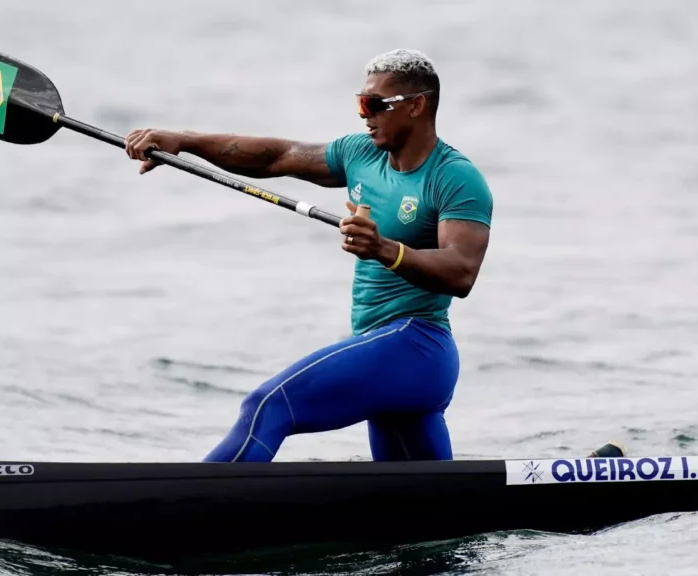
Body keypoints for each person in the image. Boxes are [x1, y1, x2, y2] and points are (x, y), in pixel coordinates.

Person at [124, 49, 493, 462]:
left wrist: (383, 248)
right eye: (361, 103)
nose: (364, 115)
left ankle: (190, 500)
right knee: (424, 499)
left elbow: (461, 272)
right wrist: (184, 141)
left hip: (418, 348)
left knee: (268, 407)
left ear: (417, 105)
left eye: (374, 104)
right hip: (382, 351)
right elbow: (277, 156)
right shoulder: (361, 154)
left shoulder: (454, 177)